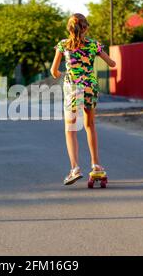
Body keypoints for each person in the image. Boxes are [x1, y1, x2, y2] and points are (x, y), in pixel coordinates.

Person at [51, 13, 117, 186]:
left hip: (72, 88)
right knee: (90, 126)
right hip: (90, 87)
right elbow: (112, 64)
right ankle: (96, 165)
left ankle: (75, 168)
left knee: (71, 129)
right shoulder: (94, 45)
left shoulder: (63, 45)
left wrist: (63, 75)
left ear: (69, 28)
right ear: (86, 27)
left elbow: (53, 71)